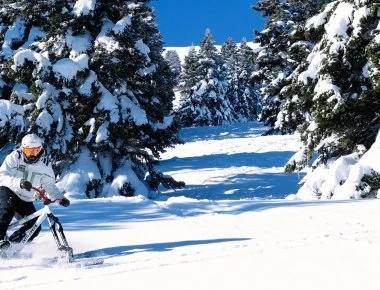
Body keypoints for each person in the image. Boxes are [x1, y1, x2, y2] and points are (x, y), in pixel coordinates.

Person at [0, 133, 70, 252]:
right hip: (9, 190)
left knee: (34, 227)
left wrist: (60, 198)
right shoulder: (14, 157)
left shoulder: (45, 165)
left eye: (35, 151)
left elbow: (49, 185)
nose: (32, 155)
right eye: (28, 151)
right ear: (22, 149)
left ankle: (10, 248)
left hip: (26, 198)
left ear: (40, 149)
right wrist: (19, 182)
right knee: (7, 209)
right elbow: (2, 176)